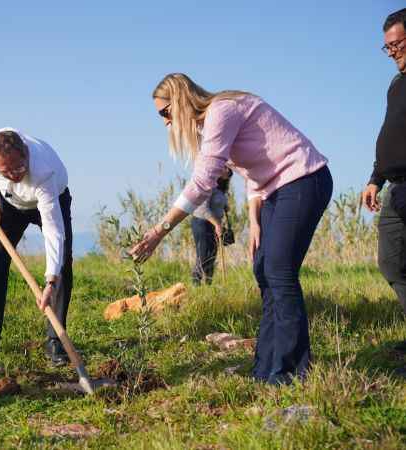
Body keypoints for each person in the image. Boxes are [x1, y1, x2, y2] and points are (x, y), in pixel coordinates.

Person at [130, 73, 332, 385]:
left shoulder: (221, 111)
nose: (166, 123)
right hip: (275, 190)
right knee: (263, 270)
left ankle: (293, 370)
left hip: (303, 179)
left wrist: (160, 231)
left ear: (180, 101)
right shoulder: (213, 122)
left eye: (165, 113)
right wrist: (254, 220)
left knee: (279, 271)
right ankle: (266, 367)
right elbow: (254, 166)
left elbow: (203, 182)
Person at [0, 128, 73, 366]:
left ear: (26, 154)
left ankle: (55, 342)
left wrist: (50, 280)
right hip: (8, 204)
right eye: (5, 172)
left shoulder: (43, 172)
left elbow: (53, 231)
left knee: (62, 265)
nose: (14, 175)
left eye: (19, 168)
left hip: (50, 201)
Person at [361, 8, 406, 351]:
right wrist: (375, 178)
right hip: (394, 188)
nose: (393, 52)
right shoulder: (396, 84)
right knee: (391, 263)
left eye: (398, 44)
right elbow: (390, 133)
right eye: (388, 47)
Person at [190, 167, 232, 285]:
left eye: (229, 172)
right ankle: (196, 284)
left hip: (213, 225)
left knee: (212, 255)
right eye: (226, 168)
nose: (228, 171)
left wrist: (224, 207)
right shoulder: (209, 184)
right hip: (202, 222)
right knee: (203, 255)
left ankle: (208, 285)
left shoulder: (221, 188)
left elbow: (217, 202)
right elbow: (202, 208)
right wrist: (217, 224)